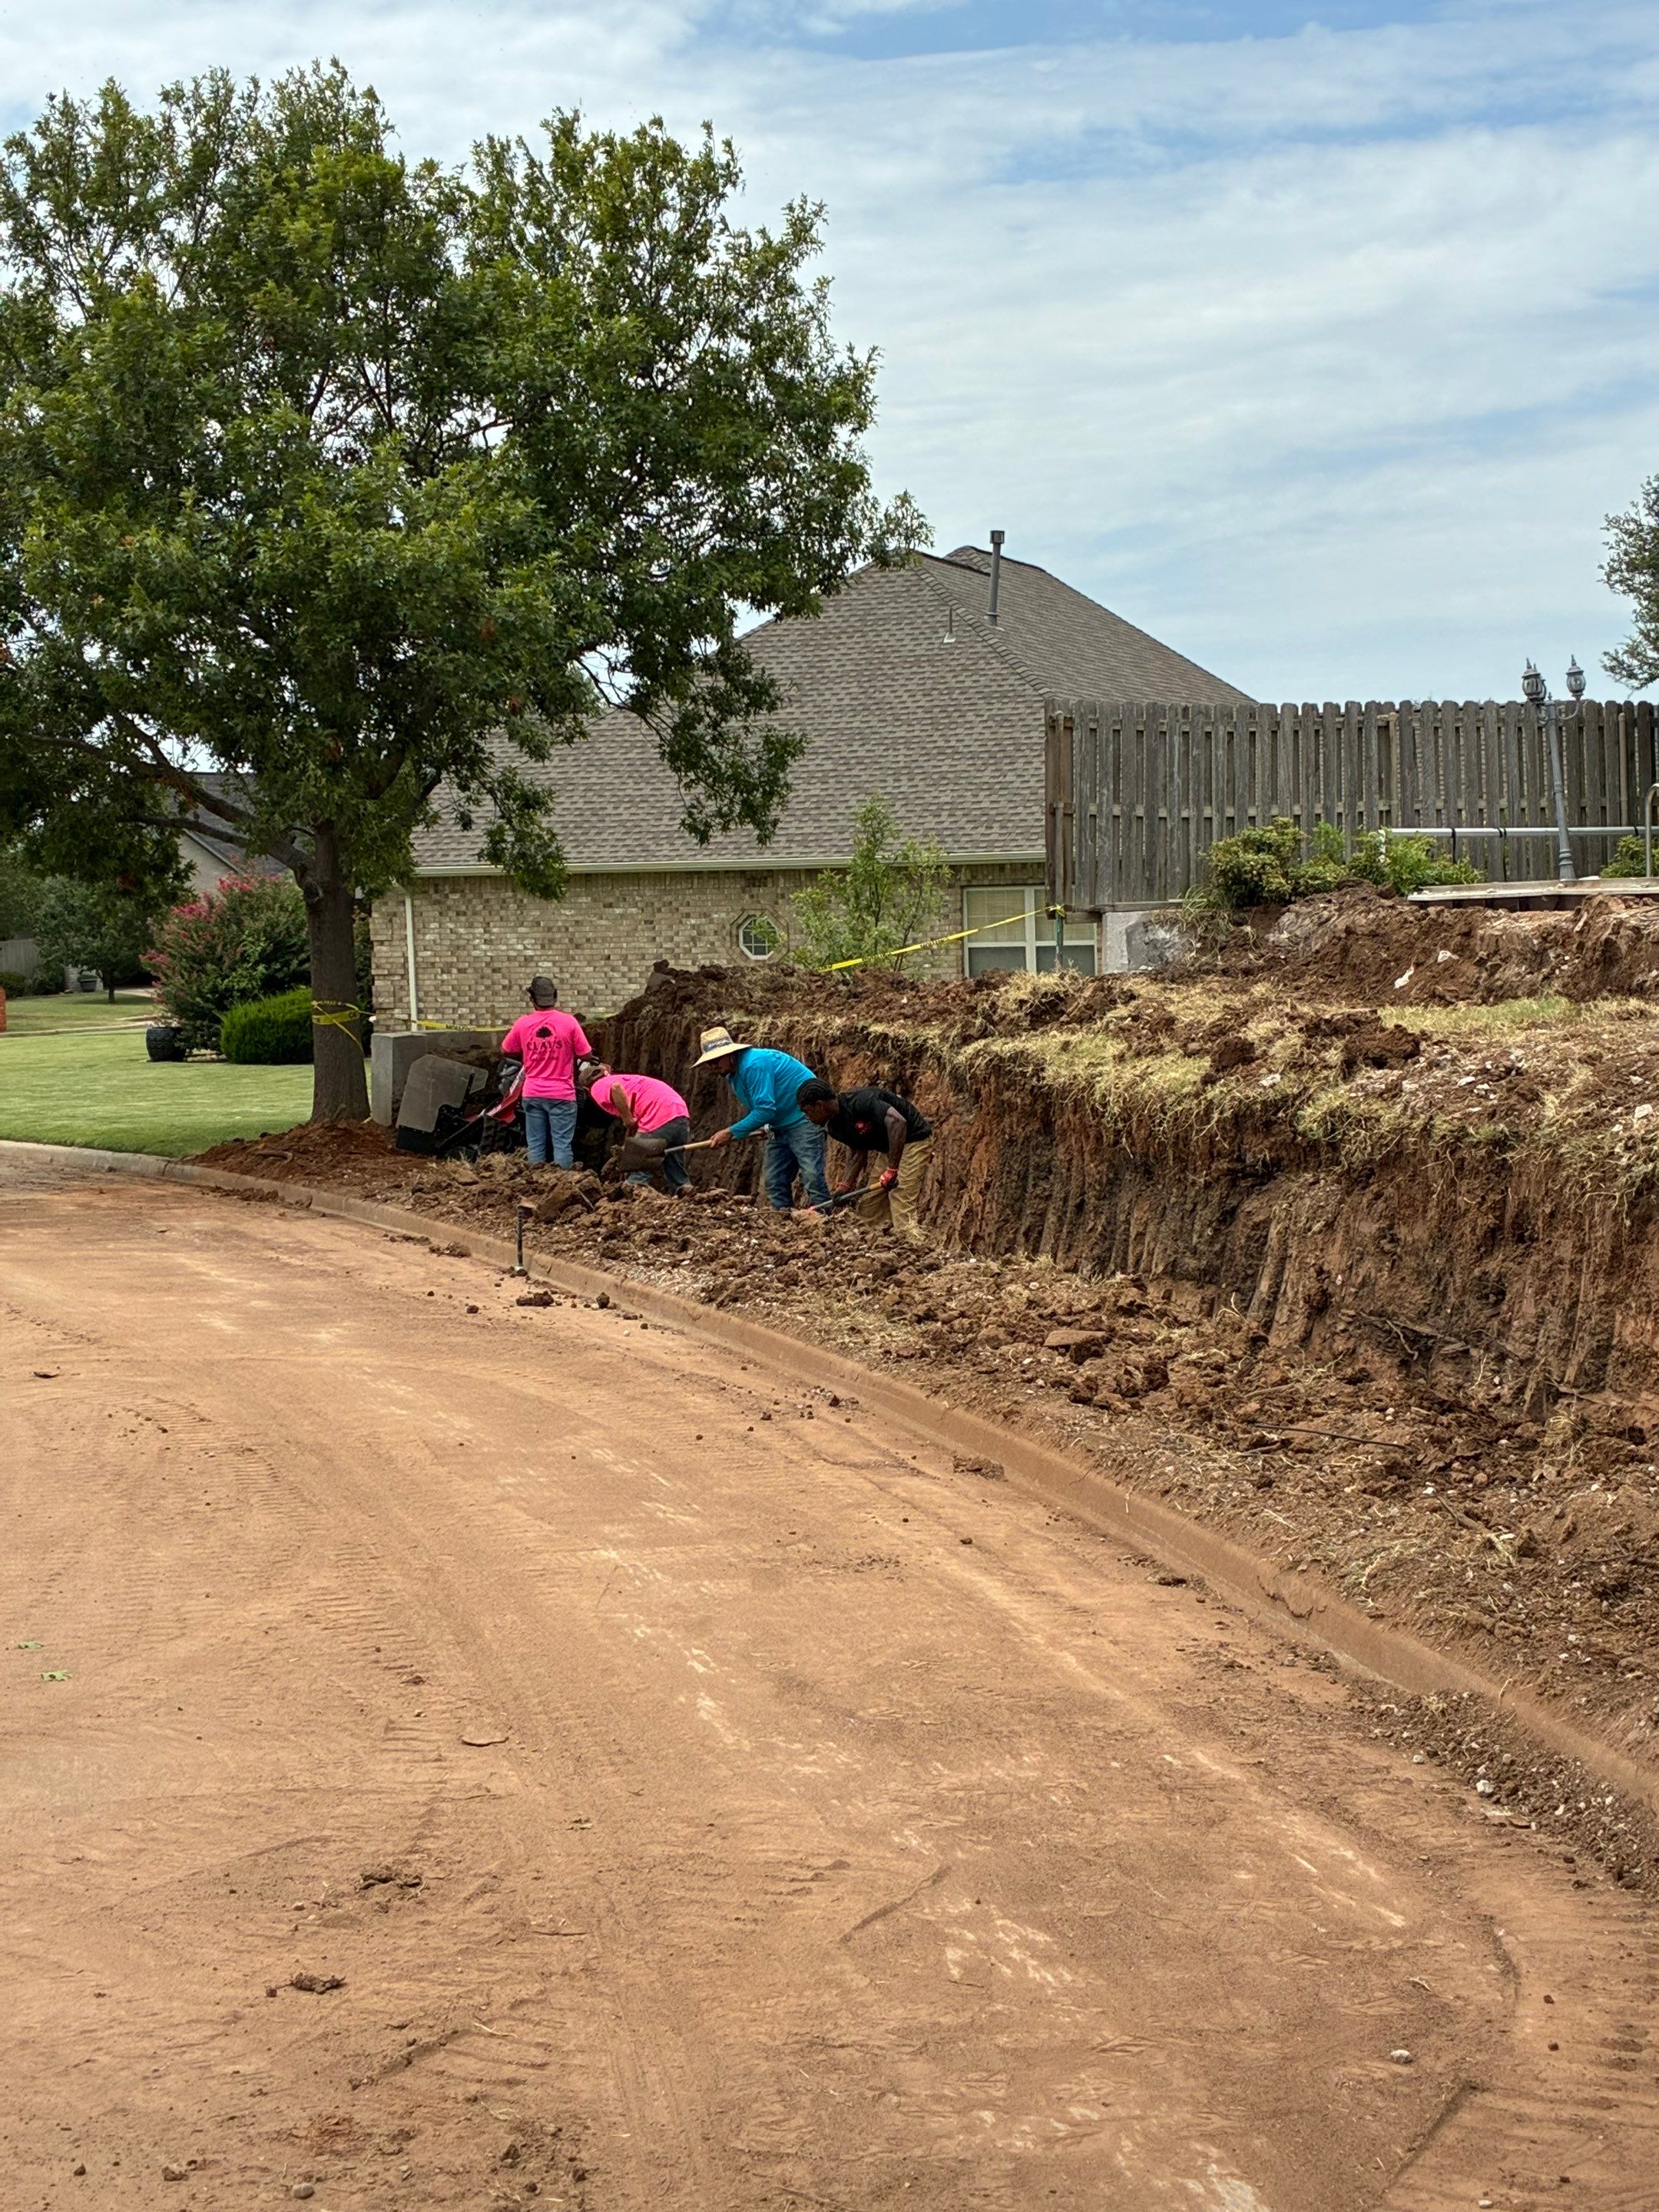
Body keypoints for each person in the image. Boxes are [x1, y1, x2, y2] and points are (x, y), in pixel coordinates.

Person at [694, 1025, 831, 1212]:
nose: (713, 1066)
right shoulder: (732, 1075)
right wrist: (764, 1126)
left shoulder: (753, 1064)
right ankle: (786, 1222)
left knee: (812, 1176)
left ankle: (825, 1221)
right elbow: (762, 1106)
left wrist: (730, 1132)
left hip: (803, 1119)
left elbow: (766, 1109)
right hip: (779, 1124)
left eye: (716, 1060)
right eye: (709, 1063)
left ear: (729, 1054)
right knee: (775, 1180)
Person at [796, 1077, 933, 1240]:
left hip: (914, 1141)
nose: (807, 1118)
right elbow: (858, 1151)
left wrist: (892, 1170)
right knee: (869, 1207)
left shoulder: (860, 1100)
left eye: (807, 1112)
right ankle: (884, 1247)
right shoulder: (835, 1127)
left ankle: (915, 1248)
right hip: (890, 1149)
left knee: (900, 1198)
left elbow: (897, 1122)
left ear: (819, 1105)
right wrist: (844, 1187)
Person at [498, 978, 591, 1170]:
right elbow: (586, 1053)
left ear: (532, 999)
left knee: (535, 1145)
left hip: (533, 1093)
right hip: (562, 1095)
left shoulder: (523, 1024)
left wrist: (529, 1048)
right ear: (555, 996)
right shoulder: (569, 1022)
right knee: (562, 1145)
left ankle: (537, 1186)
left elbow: (506, 1049)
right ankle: (562, 1186)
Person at [578, 1058, 694, 1193]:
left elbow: (615, 1089)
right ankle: (686, 1194)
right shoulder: (628, 1079)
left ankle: (636, 1198)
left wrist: (627, 1119)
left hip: (658, 1115)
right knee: (675, 1168)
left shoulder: (598, 1086)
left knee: (636, 1175)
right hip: (680, 1114)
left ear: (586, 1088)